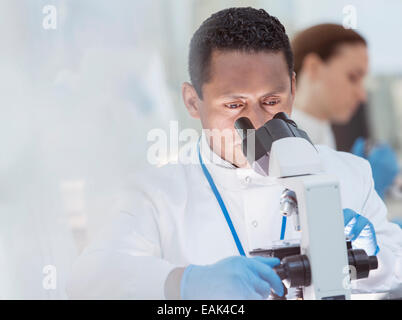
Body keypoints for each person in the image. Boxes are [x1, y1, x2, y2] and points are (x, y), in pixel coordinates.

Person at [67, 7, 402, 300]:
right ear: (193, 102)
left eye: (272, 102)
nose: (257, 123)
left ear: (294, 88)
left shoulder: (348, 173)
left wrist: (373, 258)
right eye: (234, 105)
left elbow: (397, 266)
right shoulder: (157, 192)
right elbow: (89, 280)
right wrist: (185, 283)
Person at [291, 24, 399, 199]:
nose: (362, 95)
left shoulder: (321, 130)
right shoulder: (284, 143)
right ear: (314, 67)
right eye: (353, 77)